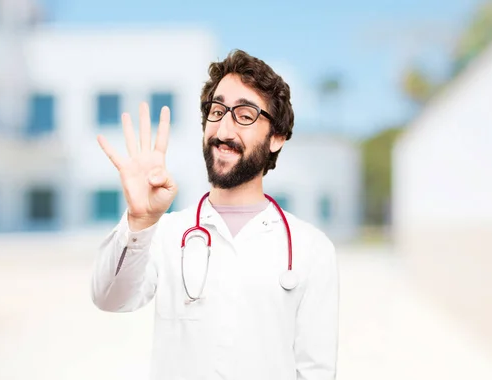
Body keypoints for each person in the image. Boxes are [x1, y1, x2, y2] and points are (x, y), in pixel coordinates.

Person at [91, 49, 339, 380]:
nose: (223, 129)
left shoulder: (312, 249)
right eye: (217, 110)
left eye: (245, 114)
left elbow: (316, 372)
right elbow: (109, 298)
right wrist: (139, 222)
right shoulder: (166, 232)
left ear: (276, 137)